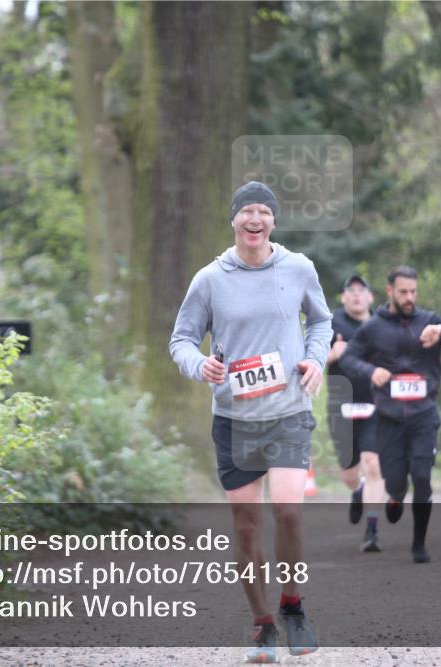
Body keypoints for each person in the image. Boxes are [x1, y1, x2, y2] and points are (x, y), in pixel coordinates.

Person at [169, 181, 331, 663]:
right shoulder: (209, 279)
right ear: (234, 220)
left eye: (263, 211)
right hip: (235, 419)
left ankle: (293, 606)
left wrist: (315, 359)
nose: (255, 219)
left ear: (274, 221)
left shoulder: (299, 268)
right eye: (247, 211)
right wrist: (200, 365)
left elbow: (321, 321)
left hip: (288, 412)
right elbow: (181, 340)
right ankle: (263, 625)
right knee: (245, 527)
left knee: (288, 511)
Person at [339, 266, 441, 563]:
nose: (409, 297)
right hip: (388, 418)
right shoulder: (374, 327)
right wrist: (371, 371)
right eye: (403, 292)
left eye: (413, 291)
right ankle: (396, 496)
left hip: (423, 415)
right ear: (390, 292)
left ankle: (419, 545)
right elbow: (348, 358)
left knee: (422, 477)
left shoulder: (429, 321)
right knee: (395, 482)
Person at [325, 274, 385, 552]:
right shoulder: (331, 323)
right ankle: (358, 491)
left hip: (375, 404)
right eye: (352, 290)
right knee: (349, 475)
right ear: (344, 296)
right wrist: (333, 353)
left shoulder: (381, 325)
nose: (357, 295)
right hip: (341, 406)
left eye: (362, 290)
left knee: (373, 464)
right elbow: (309, 359)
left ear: (370, 297)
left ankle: (372, 530)